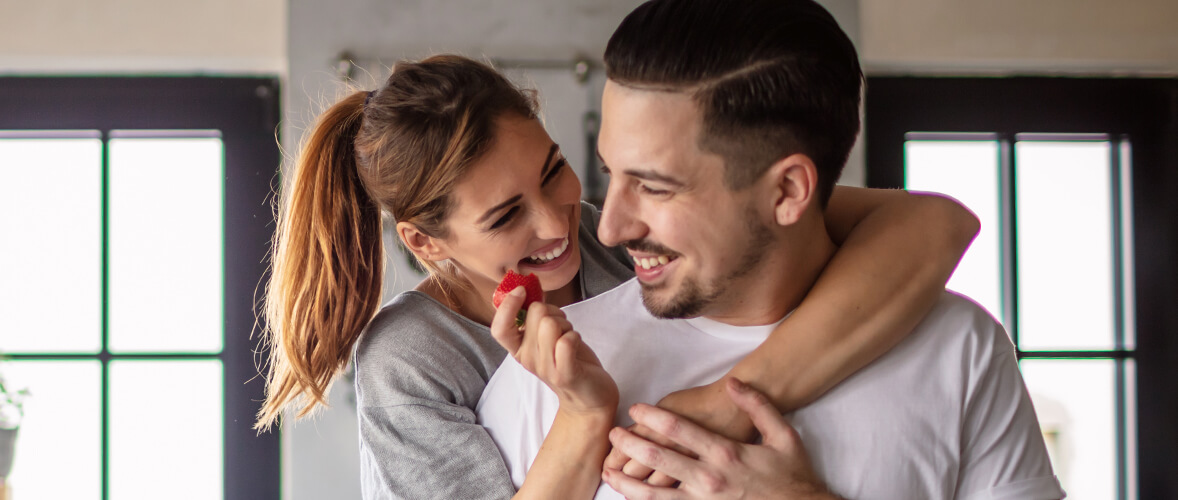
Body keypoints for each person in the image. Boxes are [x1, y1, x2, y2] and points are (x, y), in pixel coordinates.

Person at [256, 53, 982, 498]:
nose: (560, 222)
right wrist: (583, 411)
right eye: (507, 215)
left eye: (555, 172)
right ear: (425, 242)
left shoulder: (615, 236)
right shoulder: (409, 362)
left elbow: (936, 225)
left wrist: (731, 403)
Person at [476, 0, 1064, 498]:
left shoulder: (960, 353)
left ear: (787, 190)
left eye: (654, 187)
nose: (610, 228)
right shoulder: (551, 374)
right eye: (611, 174)